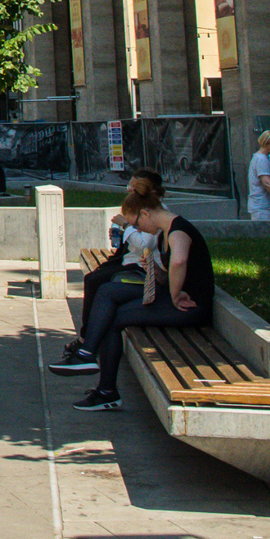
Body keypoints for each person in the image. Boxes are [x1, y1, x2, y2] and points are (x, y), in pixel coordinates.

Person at [69, 176, 215, 411]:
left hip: (189, 307)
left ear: (146, 213)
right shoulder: (166, 231)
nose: (137, 229)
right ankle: (95, 370)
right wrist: (154, 269)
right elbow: (169, 273)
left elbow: (180, 261)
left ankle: (102, 383)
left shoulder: (178, 230)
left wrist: (176, 295)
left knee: (114, 319)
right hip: (176, 301)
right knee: (108, 296)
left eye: (136, 224)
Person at [50, 169, 164, 373]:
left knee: (101, 289)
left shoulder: (155, 213)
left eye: (134, 186)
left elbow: (146, 244)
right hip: (133, 263)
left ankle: (87, 346)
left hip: (143, 272)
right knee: (97, 282)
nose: (129, 189)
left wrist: (127, 226)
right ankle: (88, 348)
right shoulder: (145, 209)